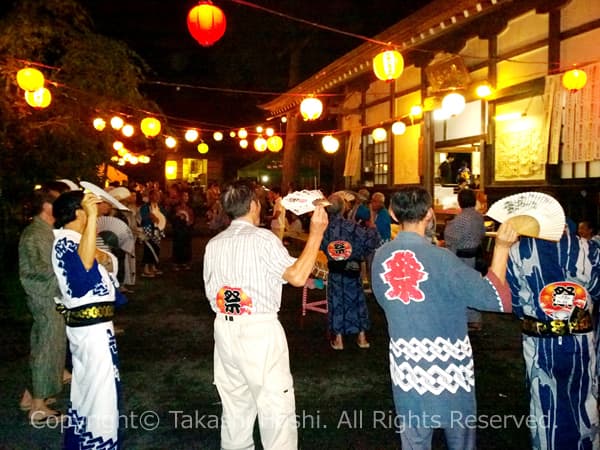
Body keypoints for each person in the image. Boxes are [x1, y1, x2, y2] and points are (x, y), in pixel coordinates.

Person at [371, 187, 518, 450]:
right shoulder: (442, 259)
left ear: (393, 214)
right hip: (448, 367)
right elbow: (494, 298)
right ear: (429, 214)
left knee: (414, 440)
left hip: (407, 364)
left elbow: (383, 300)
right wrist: (503, 248)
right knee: (459, 439)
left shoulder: (380, 257)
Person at [203, 181, 328, 450]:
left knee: (235, 409)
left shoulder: (214, 244)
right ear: (253, 205)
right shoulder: (263, 241)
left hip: (224, 330)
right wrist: (316, 233)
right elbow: (296, 276)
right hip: (258, 331)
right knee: (276, 410)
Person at [506, 220, 600, 450]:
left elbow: (513, 299)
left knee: (543, 402)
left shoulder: (518, 251)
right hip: (580, 341)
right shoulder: (589, 249)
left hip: (538, 342)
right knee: (584, 399)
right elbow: (597, 289)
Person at [51, 190, 125, 448]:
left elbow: (110, 264)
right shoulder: (64, 242)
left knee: (95, 388)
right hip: (91, 330)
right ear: (79, 211)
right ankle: (98, 443)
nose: (95, 211)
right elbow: (82, 275)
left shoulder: (78, 241)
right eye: (90, 208)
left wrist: (101, 257)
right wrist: (93, 220)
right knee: (98, 391)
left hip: (99, 328)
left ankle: (88, 441)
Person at [18, 181, 70, 425]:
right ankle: (38, 406)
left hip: (50, 296)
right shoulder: (35, 234)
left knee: (47, 344)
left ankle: (34, 396)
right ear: (48, 206)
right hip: (45, 297)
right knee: (47, 345)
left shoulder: (45, 230)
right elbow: (36, 272)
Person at [321, 193, 380, 350]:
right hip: (352, 267)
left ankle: (339, 339)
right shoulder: (352, 227)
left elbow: (322, 246)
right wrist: (372, 225)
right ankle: (362, 337)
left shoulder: (324, 229)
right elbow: (372, 241)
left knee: (337, 301)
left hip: (335, 269)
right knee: (357, 300)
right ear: (343, 208)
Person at [443, 188, 487, 330]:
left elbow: (450, 238)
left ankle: (467, 319)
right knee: (474, 287)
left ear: (460, 202)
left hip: (463, 258)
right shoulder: (479, 217)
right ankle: (475, 318)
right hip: (477, 256)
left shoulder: (460, 219)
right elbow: (482, 234)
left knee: (462, 288)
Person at [139, 188, 167, 277]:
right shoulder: (145, 207)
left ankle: (154, 266)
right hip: (148, 229)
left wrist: (160, 221)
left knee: (156, 247)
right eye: (156, 195)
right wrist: (150, 217)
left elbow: (163, 217)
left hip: (157, 230)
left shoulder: (160, 207)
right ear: (151, 196)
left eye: (158, 195)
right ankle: (146, 268)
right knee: (148, 248)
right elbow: (144, 217)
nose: (158, 197)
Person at [171, 190, 195, 270]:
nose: (185, 198)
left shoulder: (190, 207)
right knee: (178, 246)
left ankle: (186, 262)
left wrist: (189, 222)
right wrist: (178, 217)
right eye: (184, 196)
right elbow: (171, 218)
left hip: (187, 230)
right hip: (178, 230)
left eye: (187, 196)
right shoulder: (176, 207)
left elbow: (192, 219)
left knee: (186, 246)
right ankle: (176, 263)